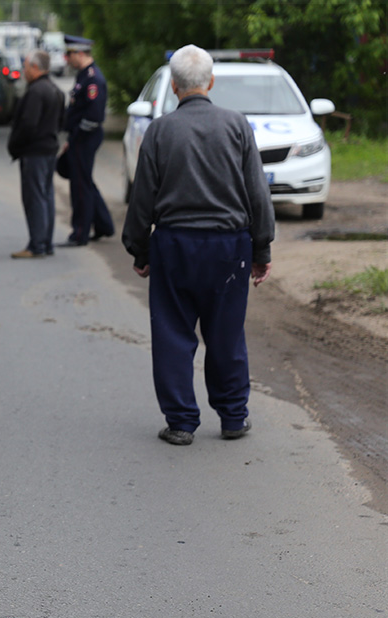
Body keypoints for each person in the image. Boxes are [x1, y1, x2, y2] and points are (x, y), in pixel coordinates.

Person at [121, 44, 275, 446]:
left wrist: (140, 249)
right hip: (229, 249)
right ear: (210, 82)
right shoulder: (237, 125)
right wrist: (261, 251)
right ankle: (233, 418)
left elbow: (143, 198)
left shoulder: (160, 131)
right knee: (226, 333)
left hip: (175, 245)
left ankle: (181, 422)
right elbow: (257, 195)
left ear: (173, 87)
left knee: (173, 332)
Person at [7, 49, 66, 259]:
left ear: (34, 67)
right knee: (46, 196)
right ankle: (45, 242)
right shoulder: (55, 90)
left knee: (35, 198)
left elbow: (27, 125)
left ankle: (37, 245)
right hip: (49, 149)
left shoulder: (36, 92)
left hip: (34, 152)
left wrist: (15, 146)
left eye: (25, 66)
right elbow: (61, 122)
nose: (23, 71)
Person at [59, 35, 114, 247]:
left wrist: (77, 138)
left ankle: (80, 233)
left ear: (80, 53)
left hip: (86, 137)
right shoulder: (84, 75)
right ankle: (103, 225)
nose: (66, 59)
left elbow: (94, 116)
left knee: (80, 186)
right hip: (79, 137)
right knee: (85, 181)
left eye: (69, 54)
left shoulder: (93, 79)